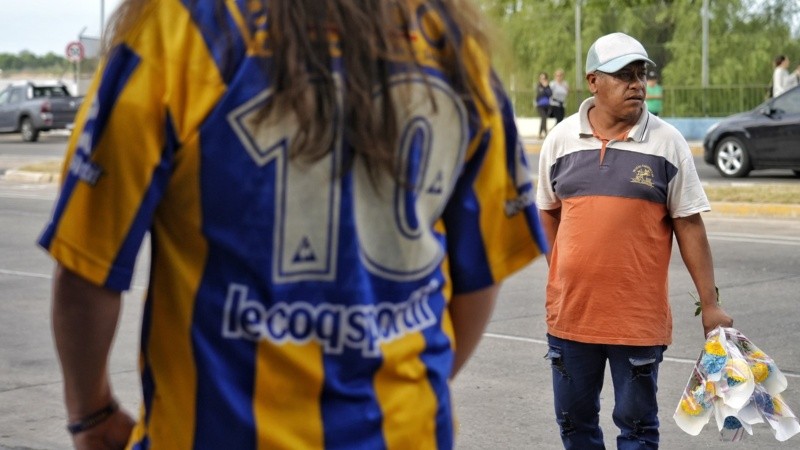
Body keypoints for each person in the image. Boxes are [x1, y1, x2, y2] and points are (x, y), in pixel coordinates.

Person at [38, 1, 548, 449]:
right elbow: (480, 270)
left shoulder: (179, 25)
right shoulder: (454, 44)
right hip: (406, 431)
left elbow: (88, 269)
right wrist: (400, 392)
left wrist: (92, 413)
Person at [536, 32, 733, 449]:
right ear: (593, 81)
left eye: (641, 73)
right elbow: (548, 212)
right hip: (572, 317)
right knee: (574, 425)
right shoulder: (560, 140)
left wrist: (710, 304)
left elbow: (690, 227)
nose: (638, 84)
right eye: (624, 75)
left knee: (638, 430)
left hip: (636, 323)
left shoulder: (667, 142)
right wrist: (565, 269)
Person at [535, 72, 553, 138]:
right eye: (541, 78)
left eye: (544, 78)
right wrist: (544, 88)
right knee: (544, 117)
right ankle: (545, 133)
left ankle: (540, 134)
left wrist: (546, 87)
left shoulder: (548, 86)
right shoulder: (538, 86)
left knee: (543, 119)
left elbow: (550, 94)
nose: (543, 79)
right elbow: (540, 94)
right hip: (540, 105)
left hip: (547, 105)